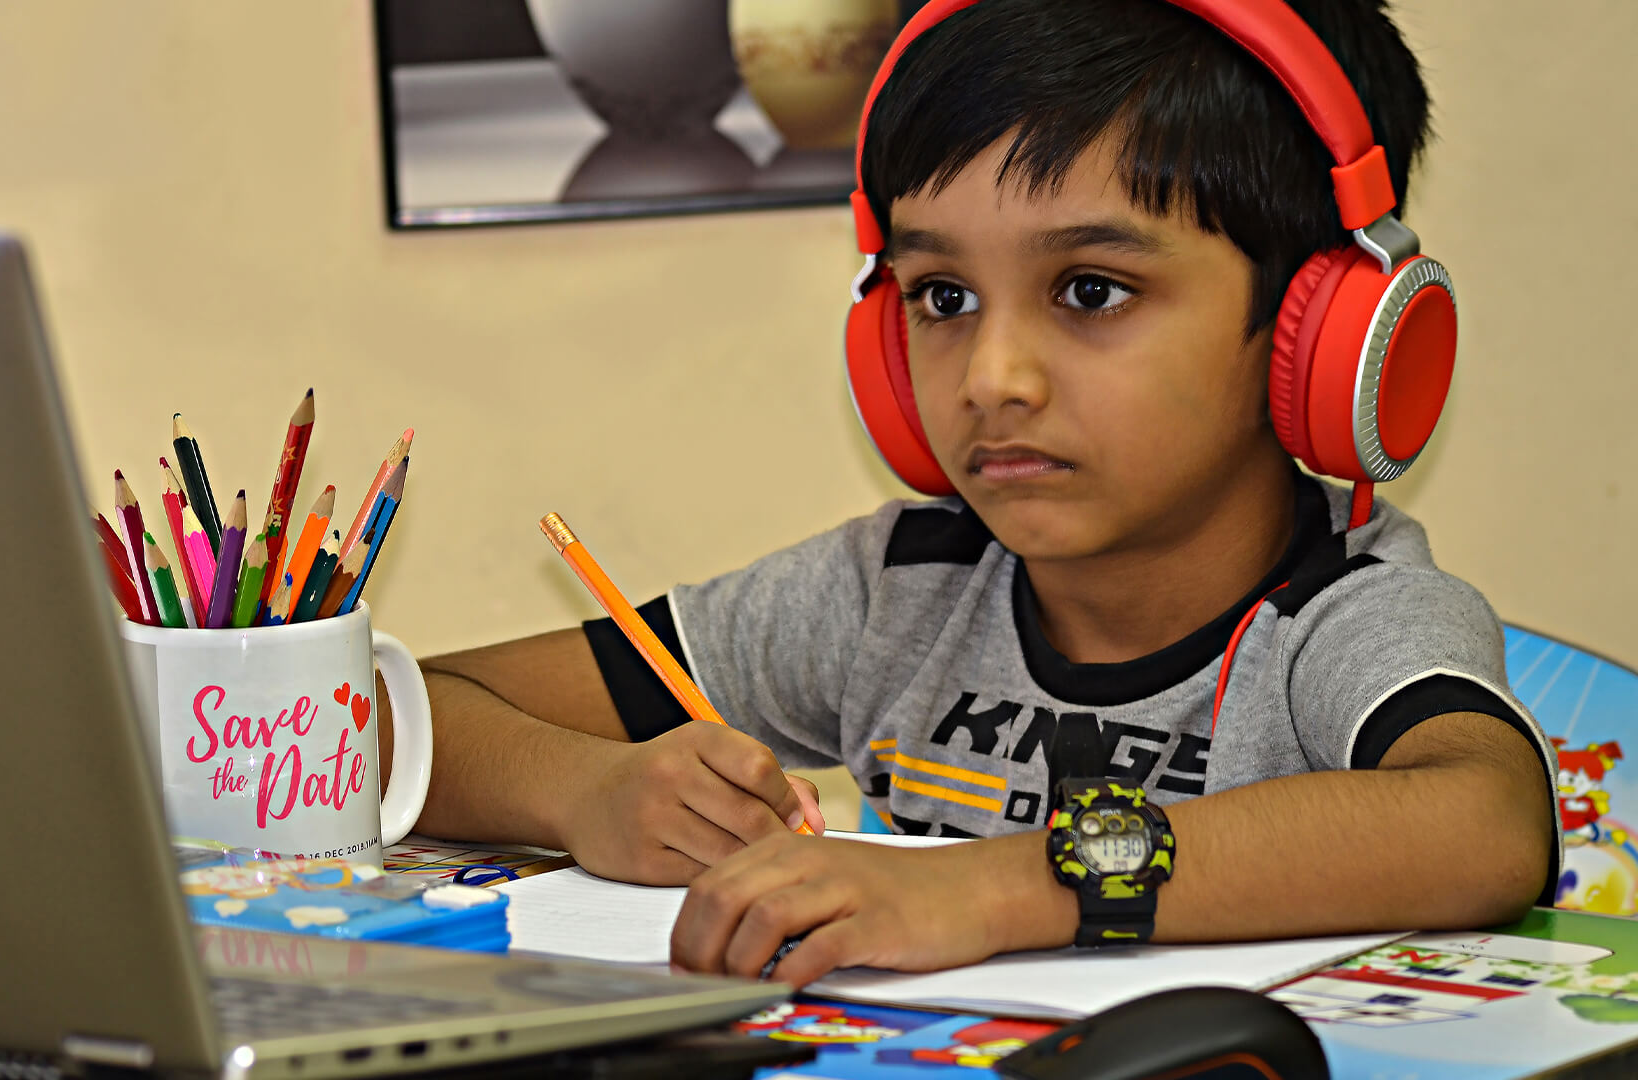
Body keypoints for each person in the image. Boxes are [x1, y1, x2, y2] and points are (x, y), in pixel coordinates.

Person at [395, 0, 1558, 986]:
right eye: (942, 297)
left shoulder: (1346, 615)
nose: (992, 381)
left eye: (1092, 289)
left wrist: (995, 890)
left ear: (1321, 336)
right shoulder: (893, 595)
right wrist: (585, 789)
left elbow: (1485, 823)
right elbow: (395, 713)